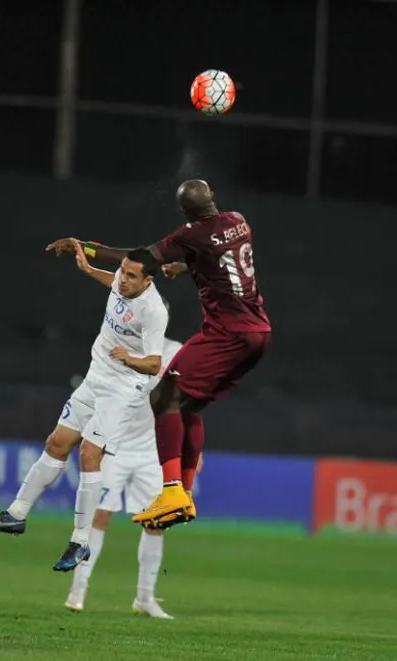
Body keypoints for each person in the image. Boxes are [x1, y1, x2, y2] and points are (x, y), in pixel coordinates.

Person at [46, 179, 271, 530]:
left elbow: (136, 259)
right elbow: (225, 262)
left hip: (227, 333)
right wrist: (187, 267)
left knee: (164, 396)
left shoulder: (190, 235)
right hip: (259, 331)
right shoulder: (237, 221)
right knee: (188, 406)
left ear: (184, 211)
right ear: (213, 198)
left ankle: (171, 490)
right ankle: (185, 495)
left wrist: (86, 248)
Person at [0, 242, 168, 572]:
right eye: (122, 272)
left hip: (123, 389)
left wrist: (129, 359)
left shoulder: (153, 311)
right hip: (95, 378)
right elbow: (113, 283)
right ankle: (16, 514)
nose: (123, 280)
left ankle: (80, 541)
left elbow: (154, 364)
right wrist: (90, 270)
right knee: (56, 443)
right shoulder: (122, 282)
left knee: (89, 454)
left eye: (132, 276)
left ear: (148, 280)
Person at [65, 333, 200, 619]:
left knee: (157, 521)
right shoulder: (117, 345)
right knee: (100, 515)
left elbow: (188, 401)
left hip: (153, 449)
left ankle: (145, 598)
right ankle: (78, 590)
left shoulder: (175, 352)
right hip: (114, 445)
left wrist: (192, 448)